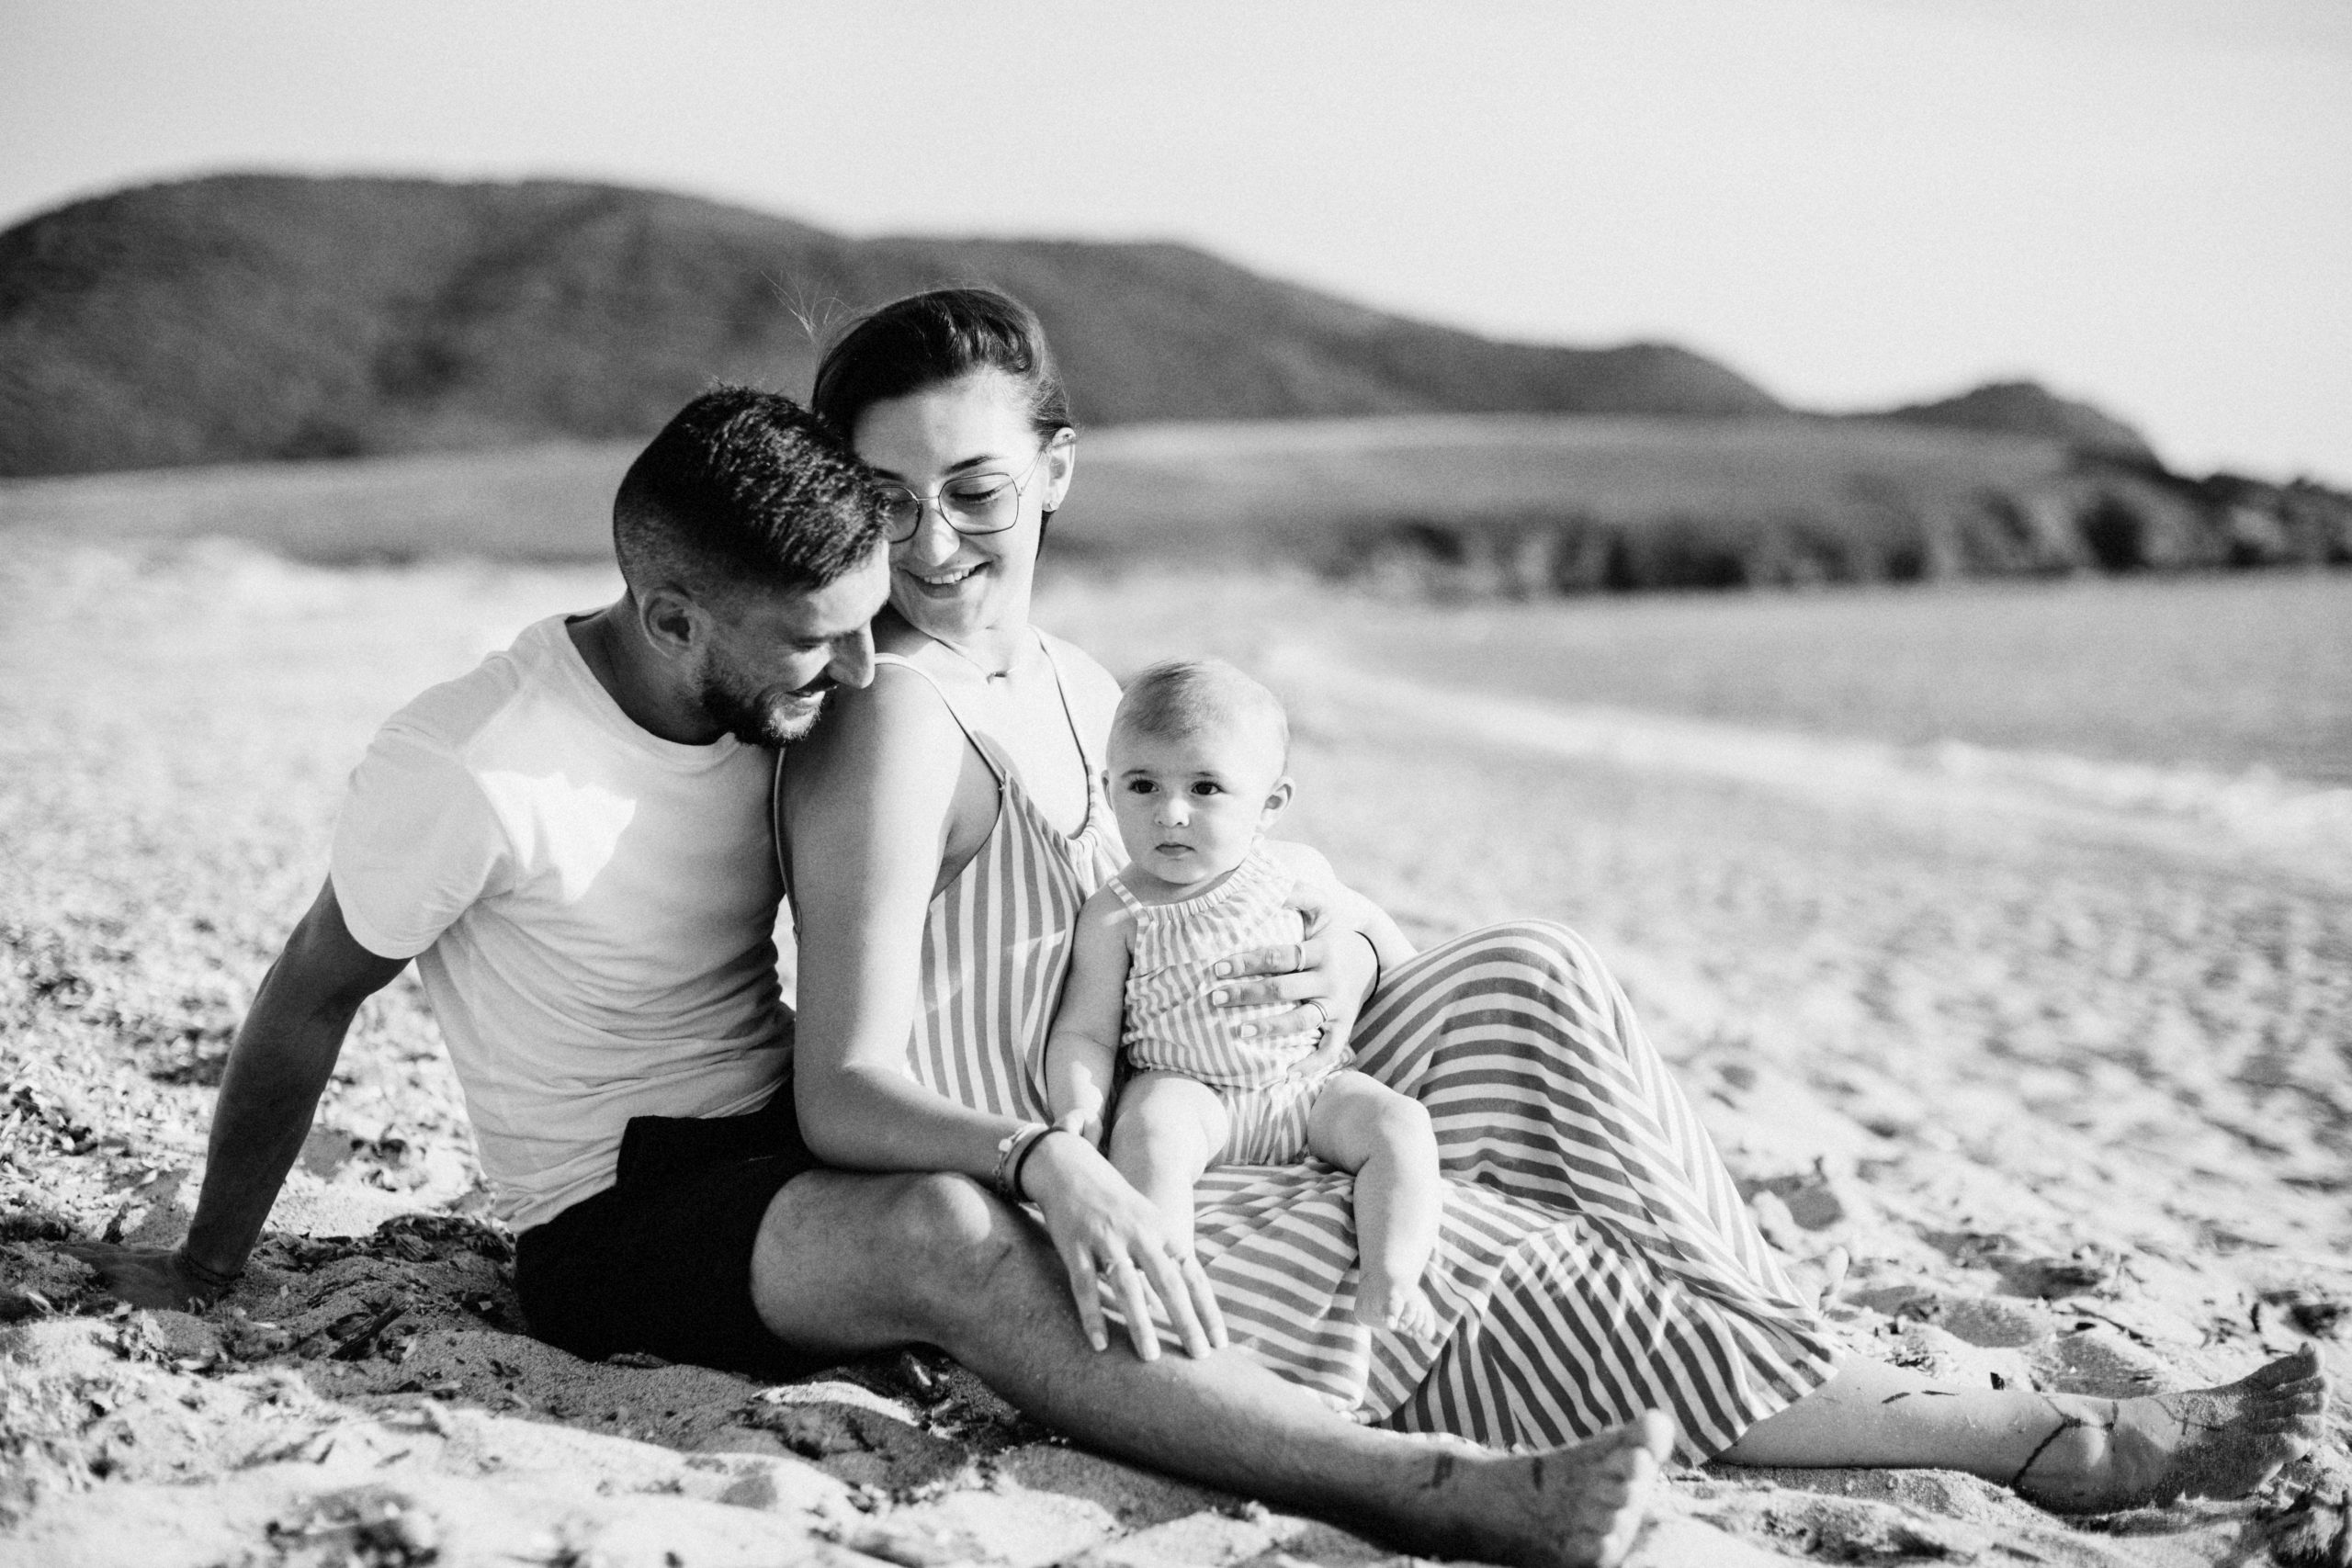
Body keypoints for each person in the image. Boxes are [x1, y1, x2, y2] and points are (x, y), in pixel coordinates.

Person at [781, 284, 2327, 1520]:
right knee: (1488, 1243)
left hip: (1221, 1076)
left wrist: (1336, 933)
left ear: (1055, 468)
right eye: (888, 497)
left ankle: (1768, 1329)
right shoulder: (896, 717)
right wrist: (1063, 1163)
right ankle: (2021, 1435)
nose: (931, 542)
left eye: (973, 489)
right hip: (1105, 1196)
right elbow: (843, 1088)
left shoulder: (1074, 684)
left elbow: (1179, 880)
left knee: (1528, 968)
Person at [64, 384, 1672, 1568]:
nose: (856, 679)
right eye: (816, 646)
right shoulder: (480, 766)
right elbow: (306, 995)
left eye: (864, 630)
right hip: (608, 1216)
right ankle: (1434, 1489)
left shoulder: (776, 694)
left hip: (785, 1139)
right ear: (673, 612)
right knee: (952, 1229)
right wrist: (209, 1265)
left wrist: (1308, 910)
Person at [1045, 658, 1443, 1340]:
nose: (1171, 813)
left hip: (1306, 1088)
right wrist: (1078, 1105)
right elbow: (1087, 1030)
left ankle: (1392, 1273)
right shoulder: (1116, 912)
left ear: (1270, 803)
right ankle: (1160, 1278)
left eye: (1205, 787)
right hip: (1191, 1090)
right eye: (1143, 785)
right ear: (1110, 790)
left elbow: (1376, 948)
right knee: (1151, 1133)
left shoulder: (1298, 871)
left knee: (1400, 1125)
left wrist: (1353, 947)